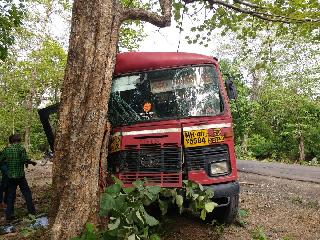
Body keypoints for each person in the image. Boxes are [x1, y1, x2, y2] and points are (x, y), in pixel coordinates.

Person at [0, 134, 36, 221]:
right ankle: (31, 212)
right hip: (20, 176)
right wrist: (31, 162)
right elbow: (24, 159)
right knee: (27, 194)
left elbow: (1, 160)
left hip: (11, 177)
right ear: (19, 140)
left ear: (10, 141)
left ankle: (9, 215)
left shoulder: (6, 149)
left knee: (11, 196)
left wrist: (7, 162)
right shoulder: (21, 148)